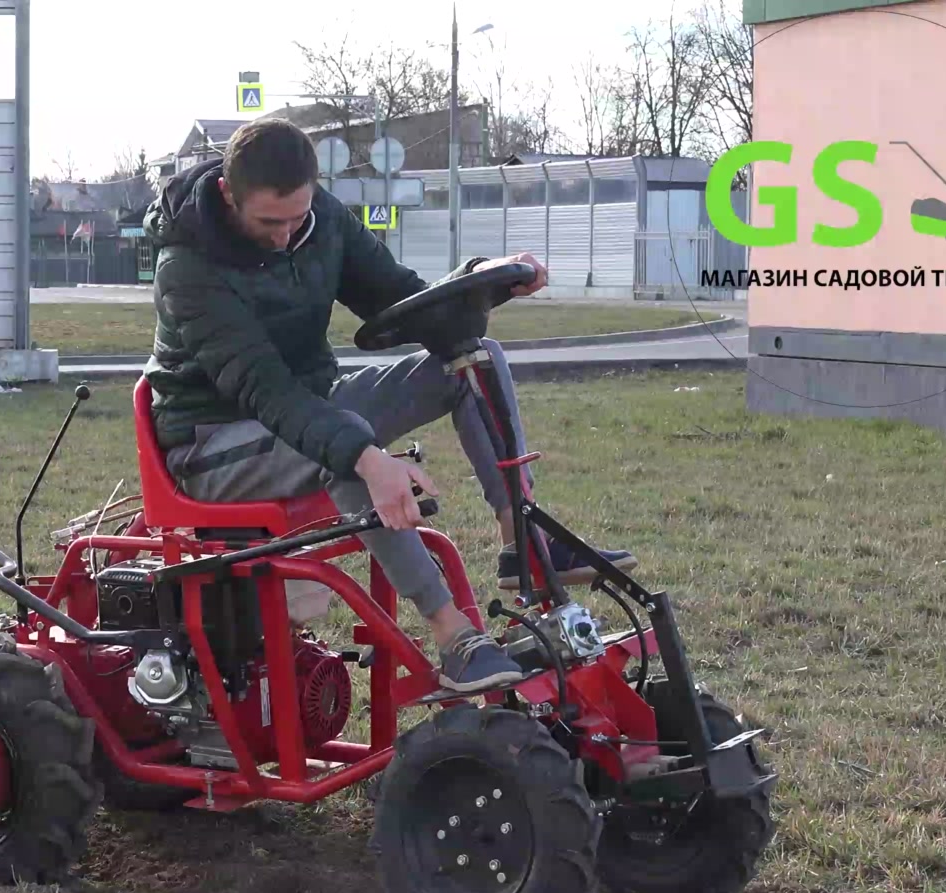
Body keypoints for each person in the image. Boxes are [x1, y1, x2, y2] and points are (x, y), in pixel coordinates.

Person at [141, 117, 636, 693]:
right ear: (229, 194)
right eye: (268, 222)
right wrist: (370, 458)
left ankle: (519, 543)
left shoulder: (321, 221)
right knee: (350, 445)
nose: (284, 236)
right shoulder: (187, 269)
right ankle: (453, 635)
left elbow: (404, 298)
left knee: (475, 361)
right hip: (213, 445)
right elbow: (266, 390)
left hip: (308, 406)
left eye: (296, 218)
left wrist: (481, 279)